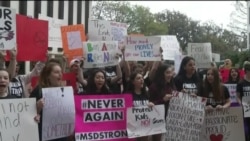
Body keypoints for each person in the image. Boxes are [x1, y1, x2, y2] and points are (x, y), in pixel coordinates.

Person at [30, 61, 70, 141]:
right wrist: (37, 108)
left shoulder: (64, 91)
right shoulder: (38, 91)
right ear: (48, 76)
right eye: (56, 72)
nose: (60, 74)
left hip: (61, 135)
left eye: (61, 72)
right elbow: (28, 115)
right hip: (44, 134)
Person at [149, 64, 176, 141]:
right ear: (161, 74)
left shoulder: (172, 85)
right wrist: (163, 100)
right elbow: (150, 104)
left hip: (171, 119)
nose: (170, 75)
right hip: (158, 120)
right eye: (167, 73)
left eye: (171, 73)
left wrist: (181, 94)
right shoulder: (153, 87)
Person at [125, 72, 154, 141]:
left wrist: (151, 105)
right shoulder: (128, 95)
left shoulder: (146, 94)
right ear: (133, 82)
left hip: (144, 125)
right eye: (138, 78)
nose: (141, 80)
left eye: (142, 78)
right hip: (132, 125)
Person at [237, 61, 250, 141]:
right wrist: (240, 103)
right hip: (245, 108)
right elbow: (237, 97)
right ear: (247, 71)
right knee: (246, 128)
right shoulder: (241, 83)